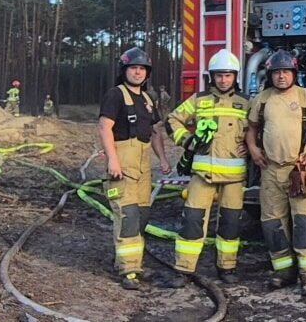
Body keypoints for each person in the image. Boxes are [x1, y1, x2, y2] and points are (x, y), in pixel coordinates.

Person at [246, 50, 306, 296]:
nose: (281, 77)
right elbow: (251, 128)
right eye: (277, 72)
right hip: (271, 171)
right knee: (273, 224)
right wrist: (254, 149)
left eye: (286, 72)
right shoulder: (262, 99)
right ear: (271, 75)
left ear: (294, 74)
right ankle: (284, 271)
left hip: (299, 171)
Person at [165, 49, 250, 288]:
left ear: (235, 77)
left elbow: (260, 129)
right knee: (192, 221)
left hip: (234, 178)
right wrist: (187, 140)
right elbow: (172, 120)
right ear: (211, 77)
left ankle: (227, 267)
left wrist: (251, 146)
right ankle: (183, 269)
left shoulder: (246, 103)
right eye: (219, 75)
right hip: (202, 175)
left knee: (231, 224)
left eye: (228, 75)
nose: (223, 80)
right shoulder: (199, 100)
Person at [96, 47, 171, 290]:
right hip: (123, 165)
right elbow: (105, 127)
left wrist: (163, 159)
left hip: (143, 166)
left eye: (142, 69)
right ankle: (127, 271)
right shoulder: (115, 95)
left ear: (147, 73)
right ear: (124, 70)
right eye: (133, 68)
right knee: (127, 216)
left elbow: (155, 132)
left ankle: (133, 264)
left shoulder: (148, 99)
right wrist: (112, 160)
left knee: (141, 216)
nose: (137, 72)